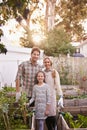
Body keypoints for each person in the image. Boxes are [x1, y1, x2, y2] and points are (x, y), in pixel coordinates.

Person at [43, 57, 63, 130]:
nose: (47, 63)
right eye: (45, 62)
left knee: (53, 113)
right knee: (46, 114)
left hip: (52, 95)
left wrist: (60, 95)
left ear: (50, 63)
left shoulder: (54, 72)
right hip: (44, 96)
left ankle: (54, 128)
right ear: (43, 63)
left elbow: (58, 84)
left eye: (48, 62)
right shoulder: (42, 72)